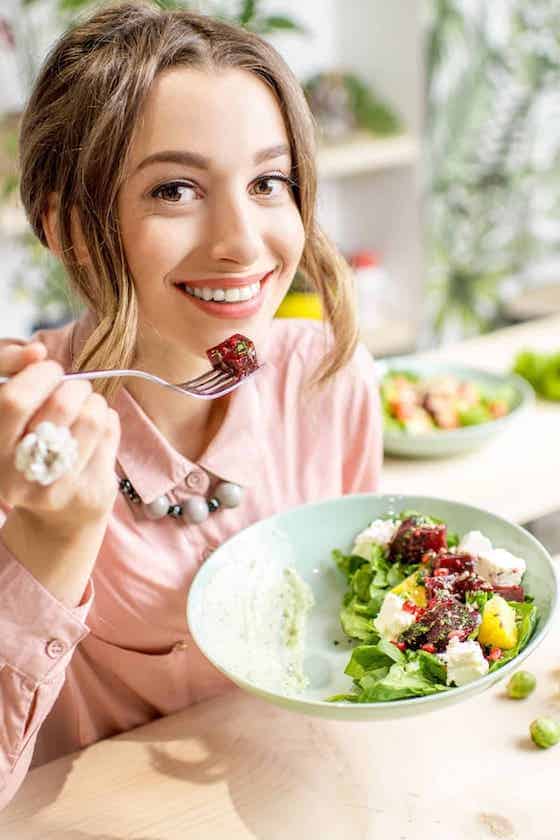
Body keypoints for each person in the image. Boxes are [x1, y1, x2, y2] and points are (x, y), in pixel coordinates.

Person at [0, 0, 382, 808]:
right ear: (70, 228)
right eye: (175, 189)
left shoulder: (326, 378)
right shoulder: (26, 440)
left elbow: (357, 629)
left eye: (269, 182)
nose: (243, 240)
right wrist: (53, 534)